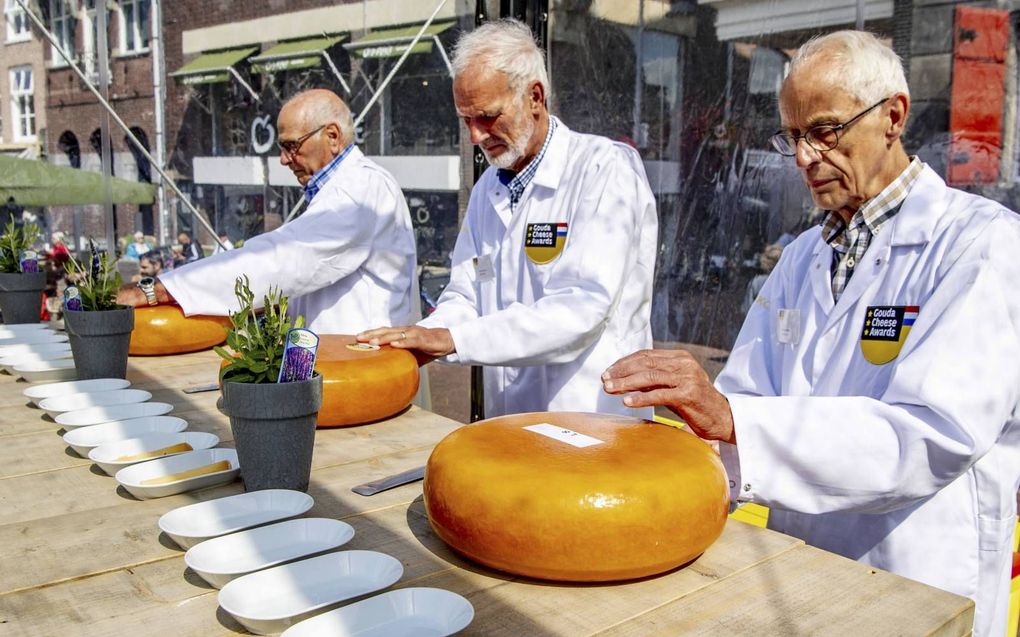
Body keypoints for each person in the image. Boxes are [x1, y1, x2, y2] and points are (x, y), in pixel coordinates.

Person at [601, 31, 1020, 637]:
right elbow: (746, 396)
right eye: (792, 137)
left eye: (824, 131)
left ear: (893, 117)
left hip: (920, 581)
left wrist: (732, 417)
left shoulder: (982, 246)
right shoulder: (802, 256)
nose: (803, 158)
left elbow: (931, 436)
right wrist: (654, 480)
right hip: (802, 575)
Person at [358, 19, 658, 418]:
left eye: (487, 116)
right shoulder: (488, 189)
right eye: (466, 120)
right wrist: (424, 337)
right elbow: (466, 293)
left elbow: (581, 310)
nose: (476, 137)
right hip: (510, 425)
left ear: (535, 96)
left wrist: (453, 339)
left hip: (592, 418)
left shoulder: (604, 169)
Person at [116, 88, 417, 334]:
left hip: (361, 379)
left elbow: (282, 260)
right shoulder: (348, 187)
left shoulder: (360, 189)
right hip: (345, 370)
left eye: (291, 146)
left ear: (333, 137)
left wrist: (159, 290)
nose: (284, 160)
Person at [740, 242, 783, 315]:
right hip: (772, 323)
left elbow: (748, 308)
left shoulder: (757, 281)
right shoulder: (782, 284)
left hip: (756, 323)